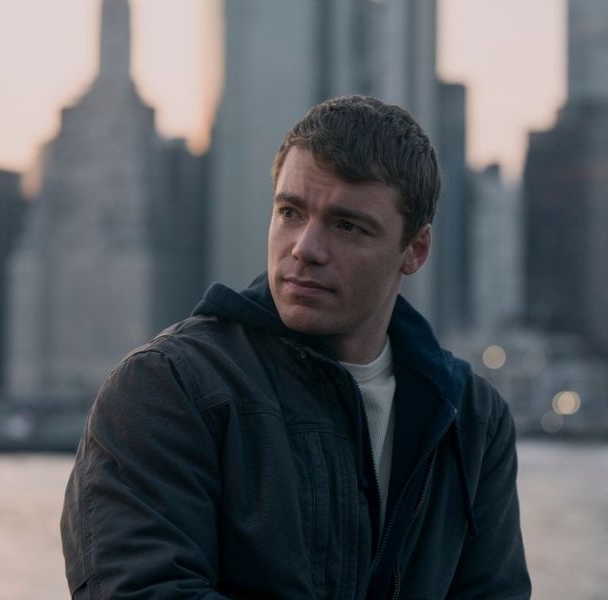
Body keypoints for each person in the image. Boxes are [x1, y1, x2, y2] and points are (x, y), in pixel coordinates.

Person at [61, 95, 530, 599]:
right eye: (290, 212)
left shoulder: (473, 419)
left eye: (347, 226)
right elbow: (139, 591)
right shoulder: (166, 389)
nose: (305, 249)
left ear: (414, 250)